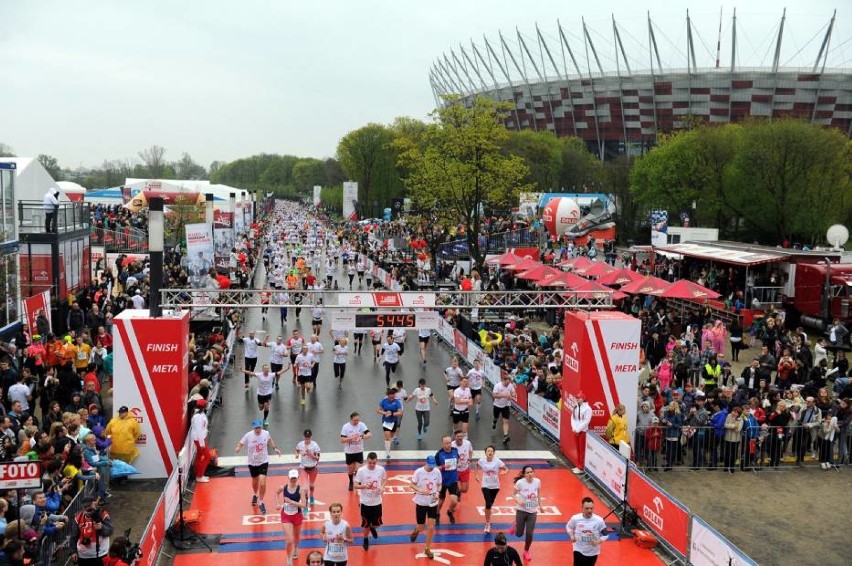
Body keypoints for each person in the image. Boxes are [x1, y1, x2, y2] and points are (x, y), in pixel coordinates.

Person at [235, 419, 283, 515]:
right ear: (253, 428)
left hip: (263, 461)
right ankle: (255, 494)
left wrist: (275, 448)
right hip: (252, 462)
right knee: (255, 481)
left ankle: (261, 502)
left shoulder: (265, 433)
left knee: (262, 482)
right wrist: (238, 448)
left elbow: (270, 439)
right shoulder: (248, 435)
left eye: (259, 428)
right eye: (256, 428)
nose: (258, 430)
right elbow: (240, 443)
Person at [409, 455, 442, 560]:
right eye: (430, 465)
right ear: (426, 462)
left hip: (432, 501)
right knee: (421, 527)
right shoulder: (419, 472)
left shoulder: (437, 472)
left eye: (433, 465)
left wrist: (437, 492)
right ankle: (416, 530)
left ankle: (427, 548)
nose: (432, 467)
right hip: (421, 501)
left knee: (431, 526)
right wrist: (420, 490)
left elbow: (440, 484)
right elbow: (412, 485)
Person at [353, 452, 386, 551]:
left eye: (374, 463)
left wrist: (382, 487)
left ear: (376, 462)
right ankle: (366, 539)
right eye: (370, 463)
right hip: (365, 502)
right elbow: (355, 485)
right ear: (367, 461)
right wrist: (364, 486)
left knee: (377, 524)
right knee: (366, 523)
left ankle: (373, 528)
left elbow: (384, 479)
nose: (372, 465)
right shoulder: (361, 471)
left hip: (377, 501)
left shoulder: (381, 469)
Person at [508, 465, 541, 562]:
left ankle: (526, 551)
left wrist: (541, 505)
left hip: (532, 512)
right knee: (519, 534)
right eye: (528, 472)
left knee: (530, 533)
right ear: (524, 474)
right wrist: (518, 501)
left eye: (531, 472)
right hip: (521, 510)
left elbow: (539, 494)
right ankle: (516, 523)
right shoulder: (520, 483)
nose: (530, 474)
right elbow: (513, 494)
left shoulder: (537, 481)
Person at [276, 469, 308, 565]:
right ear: (288, 478)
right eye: (291, 478)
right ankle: (289, 558)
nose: (293, 480)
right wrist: (277, 503)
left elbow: (304, 505)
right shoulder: (283, 487)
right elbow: (276, 493)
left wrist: (291, 502)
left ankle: (296, 548)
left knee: (296, 536)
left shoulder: (301, 490)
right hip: (286, 515)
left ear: (298, 477)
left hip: (297, 515)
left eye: (295, 478)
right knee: (289, 539)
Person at [475, 444, 509, 534]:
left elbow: (506, 469)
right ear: (485, 453)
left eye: (491, 451)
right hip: (485, 485)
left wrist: (504, 472)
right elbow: (476, 465)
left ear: (494, 453)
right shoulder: (482, 460)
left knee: (491, 503)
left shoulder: (497, 461)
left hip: (495, 485)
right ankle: (487, 524)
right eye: (488, 451)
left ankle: (488, 513)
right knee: (488, 503)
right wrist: (476, 475)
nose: (490, 452)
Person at [70, 495, 113, 565]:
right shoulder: (78, 518)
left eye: (91, 508)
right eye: (86, 508)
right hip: (83, 556)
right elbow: (73, 537)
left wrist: (102, 528)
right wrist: (73, 552)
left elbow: (110, 531)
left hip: (100, 554)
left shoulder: (102, 515)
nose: (89, 511)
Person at [565, 497, 608, 566]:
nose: (589, 511)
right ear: (582, 507)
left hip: (592, 551)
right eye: (587, 508)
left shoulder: (599, 520)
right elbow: (569, 526)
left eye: (591, 508)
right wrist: (571, 535)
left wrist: (598, 541)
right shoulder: (575, 518)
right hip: (578, 548)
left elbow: (606, 535)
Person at [340, 412, 372, 491]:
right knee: (350, 470)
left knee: (358, 470)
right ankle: (351, 481)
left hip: (359, 451)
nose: (356, 422)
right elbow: (342, 440)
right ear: (351, 419)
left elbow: (369, 435)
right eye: (355, 420)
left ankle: (357, 482)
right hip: (349, 452)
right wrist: (350, 438)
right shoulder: (346, 427)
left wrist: (361, 437)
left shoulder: (361, 425)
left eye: (358, 420)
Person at [434, 435, 460, 525]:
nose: (449, 445)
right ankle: (437, 514)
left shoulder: (455, 451)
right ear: (443, 444)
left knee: (454, 501)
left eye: (450, 442)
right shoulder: (439, 454)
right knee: (440, 501)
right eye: (446, 443)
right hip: (442, 481)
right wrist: (443, 467)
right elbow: (434, 468)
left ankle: (449, 512)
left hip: (453, 480)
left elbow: (458, 460)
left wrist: (458, 464)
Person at [295, 429, 321, 509]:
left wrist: (310, 454)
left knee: (311, 485)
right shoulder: (300, 444)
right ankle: (305, 505)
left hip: (313, 468)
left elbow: (318, 458)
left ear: (311, 437)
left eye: (308, 438)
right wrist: (296, 455)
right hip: (303, 468)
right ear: (303, 437)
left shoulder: (315, 446)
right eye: (306, 437)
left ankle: (312, 496)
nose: (307, 439)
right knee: (305, 488)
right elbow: (297, 450)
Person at [570, 391, 593, 474]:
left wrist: (578, 429)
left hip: (583, 431)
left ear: (583, 399)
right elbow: (573, 417)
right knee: (578, 449)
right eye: (576, 398)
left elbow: (586, 421)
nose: (577, 399)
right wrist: (574, 428)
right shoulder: (576, 407)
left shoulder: (588, 409)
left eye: (578, 398)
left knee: (582, 450)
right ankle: (578, 465)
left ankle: (581, 467)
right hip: (576, 430)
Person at [190, 399, 212, 483]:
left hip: (200, 438)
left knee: (199, 455)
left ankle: (198, 473)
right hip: (200, 439)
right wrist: (202, 444)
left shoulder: (199, 414)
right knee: (207, 456)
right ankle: (199, 475)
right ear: (203, 406)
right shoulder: (198, 417)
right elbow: (199, 430)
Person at [492, 371, 517, 444]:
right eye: (506, 383)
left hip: (506, 405)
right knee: (495, 417)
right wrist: (504, 396)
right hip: (497, 405)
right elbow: (494, 395)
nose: (507, 384)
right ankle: (494, 421)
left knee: (505, 421)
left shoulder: (510, 385)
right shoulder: (497, 385)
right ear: (503, 380)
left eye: (509, 383)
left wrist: (512, 395)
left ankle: (505, 436)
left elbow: (513, 393)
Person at [452, 428, 473, 501]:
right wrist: (455, 463)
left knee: (465, 490)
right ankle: (455, 493)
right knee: (459, 487)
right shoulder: (452, 445)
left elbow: (470, 451)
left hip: (465, 469)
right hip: (455, 470)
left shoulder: (467, 443)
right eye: (458, 436)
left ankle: (457, 492)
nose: (460, 438)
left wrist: (470, 459)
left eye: (461, 436)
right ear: (455, 437)